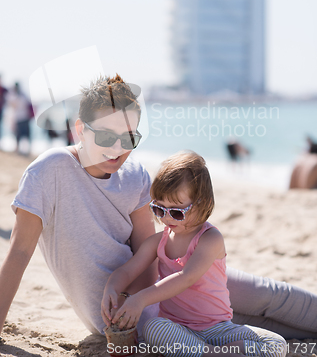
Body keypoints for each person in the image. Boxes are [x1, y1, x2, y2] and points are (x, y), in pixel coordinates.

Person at [0, 74, 317, 350]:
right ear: (80, 129)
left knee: (272, 296)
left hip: (168, 282)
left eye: (128, 137)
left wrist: (151, 300)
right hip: (133, 313)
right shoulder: (49, 171)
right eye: (105, 135)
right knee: (251, 327)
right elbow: (19, 252)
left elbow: (153, 250)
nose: (117, 148)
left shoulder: (135, 176)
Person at [102, 151, 287, 357]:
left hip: (217, 328)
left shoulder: (210, 239)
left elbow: (187, 277)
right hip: (179, 330)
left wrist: (141, 298)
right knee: (154, 328)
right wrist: (112, 287)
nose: (167, 218)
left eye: (176, 212)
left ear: (201, 204)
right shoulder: (158, 242)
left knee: (276, 343)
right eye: (159, 210)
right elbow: (128, 271)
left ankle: (209, 353)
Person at [6, 82, 33, 155]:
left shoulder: (15, 96)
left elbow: (12, 105)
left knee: (19, 134)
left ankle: (19, 148)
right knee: (25, 134)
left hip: (19, 117)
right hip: (24, 117)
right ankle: (26, 149)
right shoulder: (23, 95)